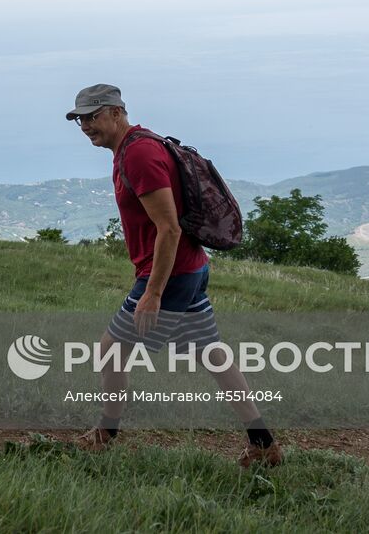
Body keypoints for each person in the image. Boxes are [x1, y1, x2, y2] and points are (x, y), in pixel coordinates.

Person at [66, 84, 282, 467]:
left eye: (93, 115)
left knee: (111, 350)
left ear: (117, 112)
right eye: (81, 118)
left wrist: (153, 293)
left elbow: (169, 228)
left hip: (173, 273)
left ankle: (105, 434)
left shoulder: (139, 154)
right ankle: (263, 442)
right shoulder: (135, 147)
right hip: (191, 268)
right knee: (213, 356)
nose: (86, 125)